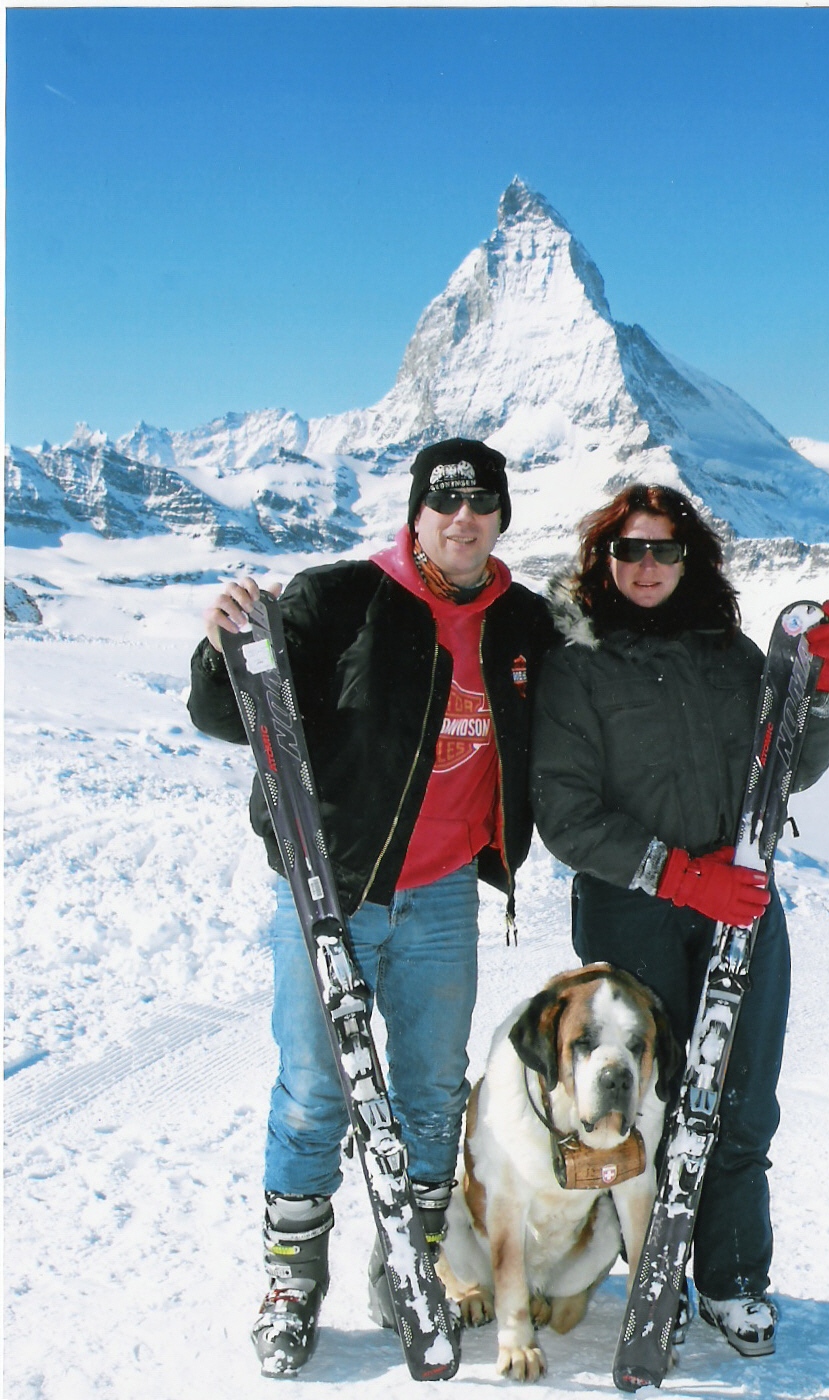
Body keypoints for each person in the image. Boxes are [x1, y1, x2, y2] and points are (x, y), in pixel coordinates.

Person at [187, 438, 556, 1375]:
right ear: (417, 512)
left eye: (481, 504)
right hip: (330, 891)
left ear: (502, 516)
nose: (463, 519)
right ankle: (289, 1279)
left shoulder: (525, 623)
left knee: (432, 1092)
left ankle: (409, 1261)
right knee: (316, 1090)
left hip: (440, 899)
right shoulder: (341, 597)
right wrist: (222, 642)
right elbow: (231, 712)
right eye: (446, 503)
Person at [530, 483, 829, 1359]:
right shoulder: (577, 664)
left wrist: (820, 693)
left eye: (664, 550)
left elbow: (785, 771)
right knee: (641, 1106)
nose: (646, 566)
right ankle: (651, 1274)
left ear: (691, 560)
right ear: (604, 560)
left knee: (742, 1100)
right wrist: (676, 873)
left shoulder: (727, 652)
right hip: (633, 909)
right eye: (629, 550)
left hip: (742, 897)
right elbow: (564, 811)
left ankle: (732, 1278)